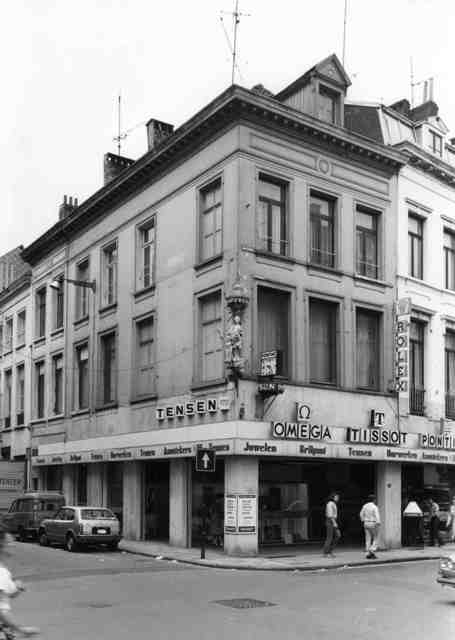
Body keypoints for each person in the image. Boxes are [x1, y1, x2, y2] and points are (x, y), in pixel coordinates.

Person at [0, 525, 39, 636]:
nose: (14, 545)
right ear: (1, 545)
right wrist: (22, 630)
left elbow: (6, 595)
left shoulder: (3, 571)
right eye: (10, 542)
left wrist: (16, 588)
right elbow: (1, 610)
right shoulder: (1, 573)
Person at [360, 494, 381, 559]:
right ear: (374, 500)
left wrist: (363, 520)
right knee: (376, 538)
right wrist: (378, 522)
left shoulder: (365, 506)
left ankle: (368, 553)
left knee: (368, 538)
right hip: (373, 523)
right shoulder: (374, 507)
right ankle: (372, 550)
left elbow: (361, 514)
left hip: (366, 523)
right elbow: (377, 515)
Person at [323, 493, 340, 557]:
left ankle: (329, 551)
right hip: (330, 521)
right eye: (336, 497)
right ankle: (326, 552)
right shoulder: (330, 504)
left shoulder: (333, 504)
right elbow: (330, 515)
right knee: (329, 537)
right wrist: (334, 523)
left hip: (333, 520)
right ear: (332, 497)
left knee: (337, 535)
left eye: (338, 497)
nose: (337, 498)